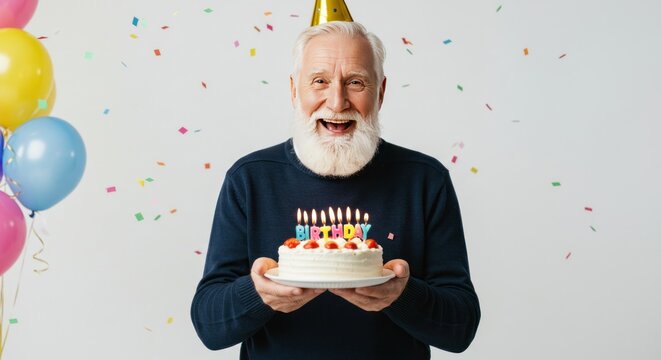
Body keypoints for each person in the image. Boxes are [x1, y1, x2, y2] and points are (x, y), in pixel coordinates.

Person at [191, 18, 480, 359]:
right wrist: (259, 294)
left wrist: (401, 296)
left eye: (356, 82)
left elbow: (461, 329)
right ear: (294, 90)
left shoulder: (424, 180)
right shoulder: (250, 179)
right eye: (319, 81)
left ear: (381, 92)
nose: (337, 101)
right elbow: (209, 327)